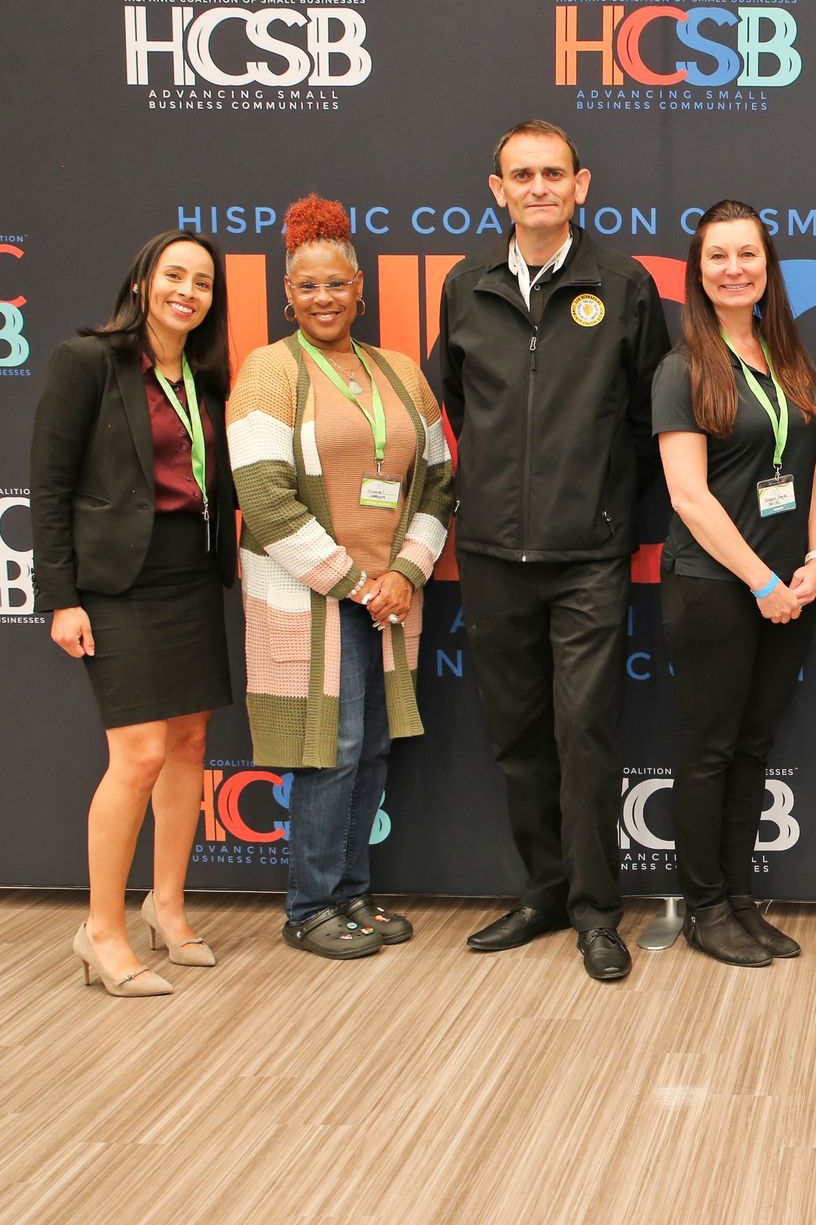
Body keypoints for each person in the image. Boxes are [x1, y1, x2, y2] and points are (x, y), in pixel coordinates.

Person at [441, 120, 669, 982]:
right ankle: (542, 891)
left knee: (585, 733)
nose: (538, 186)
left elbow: (650, 420)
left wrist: (604, 510)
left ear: (582, 184)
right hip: (495, 554)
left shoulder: (623, 284)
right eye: (520, 174)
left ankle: (596, 912)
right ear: (496, 189)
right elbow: (463, 408)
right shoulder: (466, 285)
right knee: (517, 735)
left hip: (588, 559)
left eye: (553, 173)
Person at [228, 196, 454, 959]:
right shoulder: (268, 370)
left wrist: (406, 571)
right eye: (307, 286)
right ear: (286, 295)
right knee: (332, 745)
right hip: (311, 598)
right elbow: (261, 495)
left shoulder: (398, 371)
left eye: (337, 284)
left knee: (376, 744)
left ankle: (352, 895)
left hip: (388, 597)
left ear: (361, 287)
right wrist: (354, 581)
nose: (323, 298)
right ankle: (310, 905)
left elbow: (438, 480)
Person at [32, 230, 235, 996]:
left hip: (189, 573)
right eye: (174, 275)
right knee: (140, 753)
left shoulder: (206, 376)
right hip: (117, 584)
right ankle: (102, 930)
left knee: (189, 742)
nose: (188, 290)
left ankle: (169, 906)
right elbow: (47, 487)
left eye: (204, 282)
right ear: (144, 281)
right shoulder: (89, 361)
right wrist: (59, 597)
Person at [654, 201, 816, 967]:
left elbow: (811, 461)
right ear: (699, 272)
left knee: (754, 749)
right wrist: (762, 579)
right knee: (708, 752)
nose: (734, 268)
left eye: (747, 255)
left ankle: (737, 899)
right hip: (716, 589)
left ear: (768, 266)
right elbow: (688, 496)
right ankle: (703, 907)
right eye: (718, 256)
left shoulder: (785, 356)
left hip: (786, 590)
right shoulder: (684, 366)